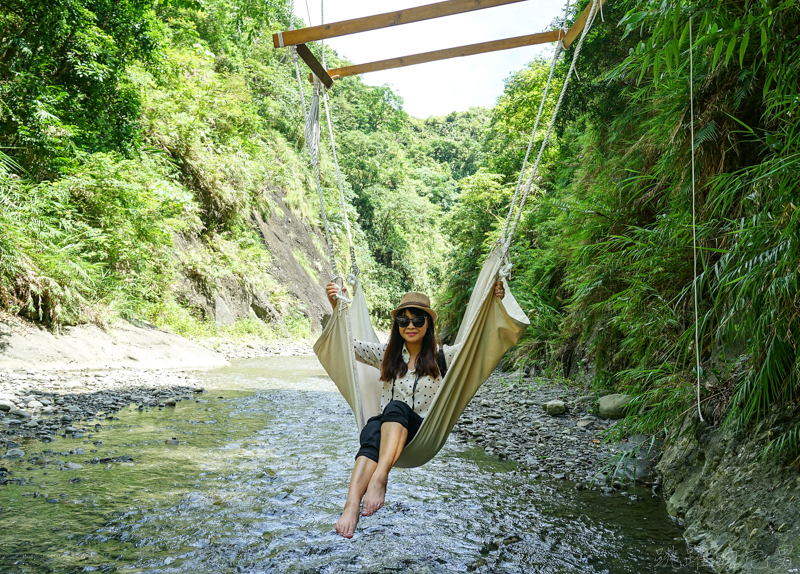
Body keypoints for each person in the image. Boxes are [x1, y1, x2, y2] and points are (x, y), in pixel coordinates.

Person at [325, 280, 506, 538]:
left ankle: (379, 478)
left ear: (428, 324)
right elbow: (346, 347)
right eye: (403, 320)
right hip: (384, 430)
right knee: (372, 428)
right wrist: (337, 308)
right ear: (397, 325)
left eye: (418, 320)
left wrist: (494, 302)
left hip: (420, 431)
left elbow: (481, 342)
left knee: (395, 407)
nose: (410, 326)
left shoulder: (445, 357)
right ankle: (351, 505)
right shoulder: (386, 355)